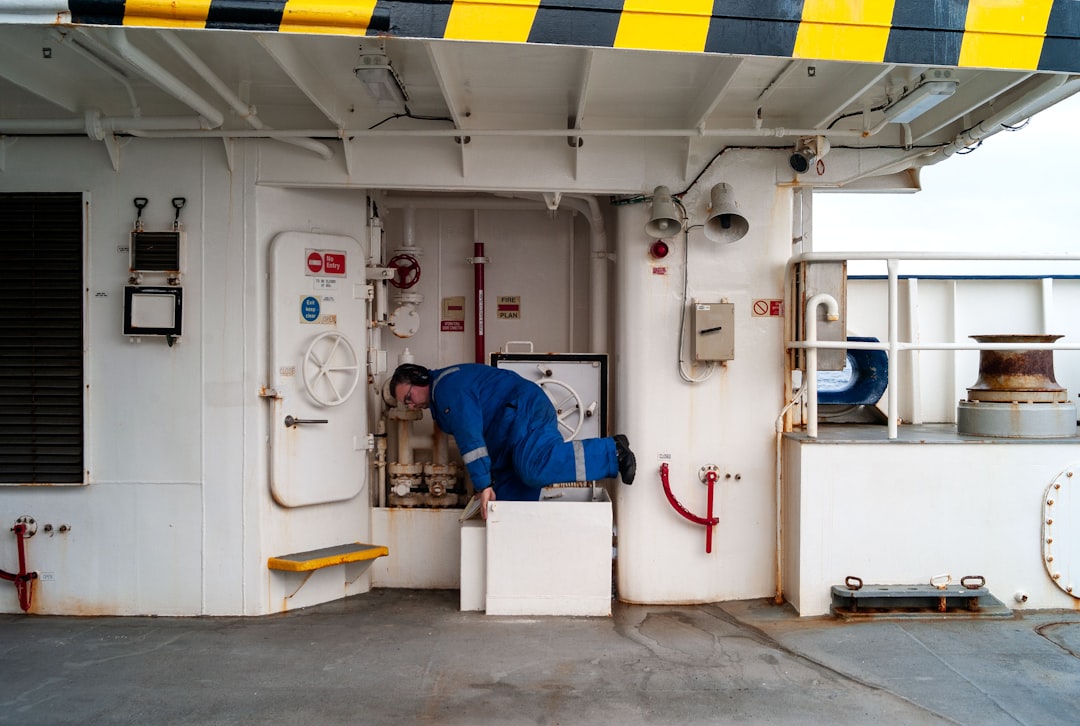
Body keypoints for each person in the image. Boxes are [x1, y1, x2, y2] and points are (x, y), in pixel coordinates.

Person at [389, 363, 636, 518]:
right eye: (406, 403)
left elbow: (471, 440)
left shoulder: (446, 389)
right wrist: (486, 487)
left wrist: (483, 484)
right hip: (510, 432)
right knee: (504, 509)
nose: (411, 405)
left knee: (534, 468)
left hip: (523, 411)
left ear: (421, 378)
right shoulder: (443, 396)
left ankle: (611, 451)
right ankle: (516, 570)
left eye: (409, 396)